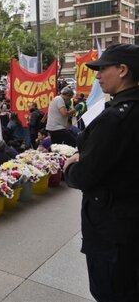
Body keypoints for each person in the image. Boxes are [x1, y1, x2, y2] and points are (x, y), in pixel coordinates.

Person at [63, 44, 139, 302]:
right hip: (130, 225)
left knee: (110, 292)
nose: (97, 76)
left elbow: (83, 176)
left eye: (102, 69)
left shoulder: (114, 120)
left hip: (111, 231)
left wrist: (72, 165)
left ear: (123, 70)